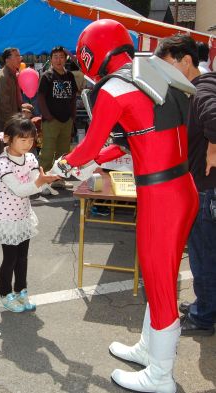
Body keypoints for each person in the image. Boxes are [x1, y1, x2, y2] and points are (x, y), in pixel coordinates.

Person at [50, 20, 198, 392]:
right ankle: (151, 349)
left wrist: (64, 165)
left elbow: (88, 147)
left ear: (91, 53)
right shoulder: (152, 72)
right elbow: (133, 141)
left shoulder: (115, 87)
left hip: (162, 197)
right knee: (158, 277)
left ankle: (160, 376)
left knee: (161, 284)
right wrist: (91, 158)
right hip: (182, 188)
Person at [155, 35, 216, 337]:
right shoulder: (207, 84)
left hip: (206, 190)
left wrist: (213, 149)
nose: (166, 73)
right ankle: (206, 306)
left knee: (203, 255)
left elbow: (214, 120)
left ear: (186, 61)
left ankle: (204, 315)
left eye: (168, 66)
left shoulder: (203, 89)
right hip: (207, 187)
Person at [0, 115, 59, 312]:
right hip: (7, 218)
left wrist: (47, 178)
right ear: (8, 139)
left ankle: (21, 291)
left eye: (31, 139)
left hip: (23, 216)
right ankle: (4, 295)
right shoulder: (1, 164)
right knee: (10, 259)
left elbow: (36, 180)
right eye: (23, 139)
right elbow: (20, 189)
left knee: (23, 258)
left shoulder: (29, 158)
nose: (28, 144)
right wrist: (41, 182)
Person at [37, 46, 77, 183]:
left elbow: (73, 98)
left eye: (61, 57)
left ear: (65, 59)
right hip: (51, 121)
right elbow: (41, 98)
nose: (58, 60)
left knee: (63, 153)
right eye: (55, 57)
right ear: (51, 59)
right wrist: (48, 116)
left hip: (67, 120)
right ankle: (42, 181)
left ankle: (58, 179)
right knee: (47, 153)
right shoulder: (46, 76)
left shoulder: (70, 76)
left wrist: (73, 117)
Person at [0, 48, 22, 133]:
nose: (19, 58)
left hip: (14, 121)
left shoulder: (13, 74)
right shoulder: (3, 77)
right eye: (16, 56)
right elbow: (4, 106)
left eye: (19, 56)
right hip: (9, 125)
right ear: (7, 60)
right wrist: (13, 124)